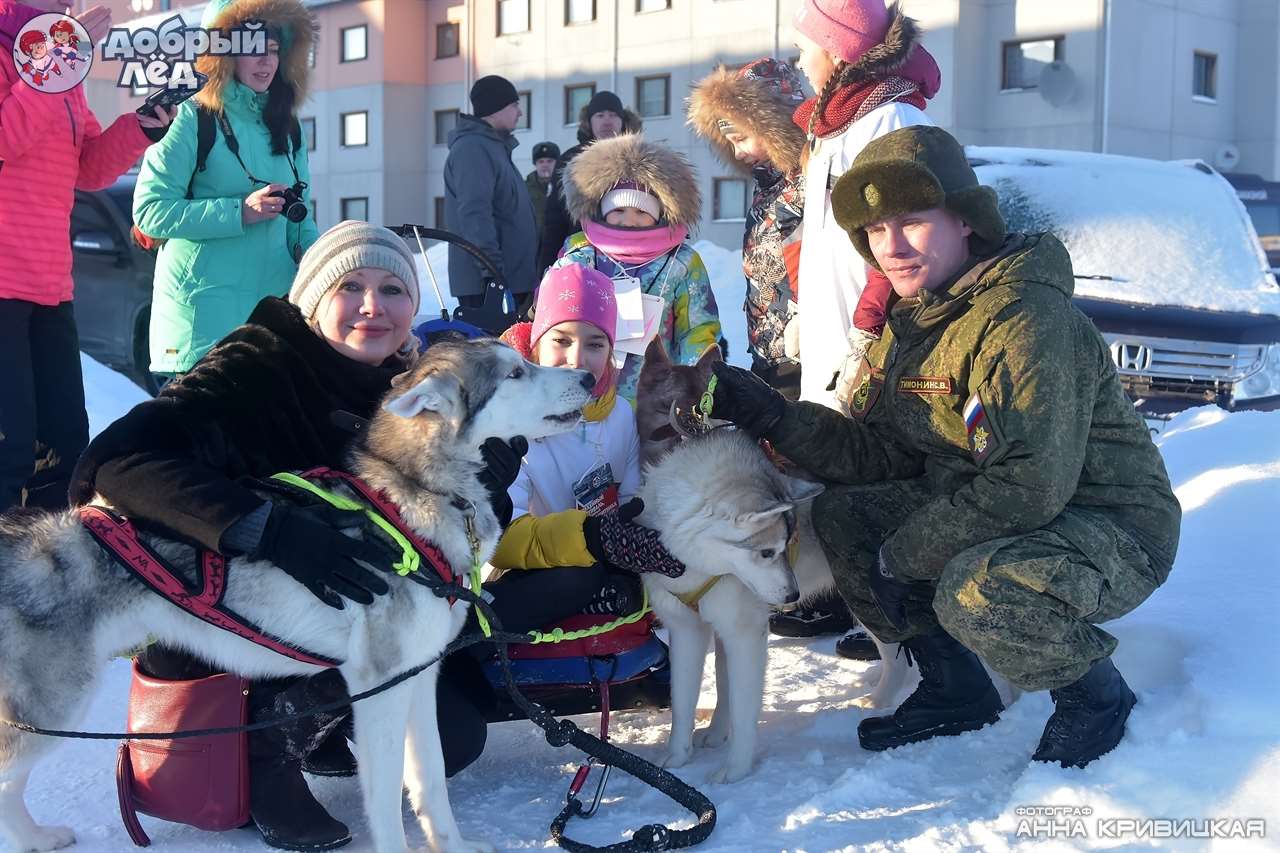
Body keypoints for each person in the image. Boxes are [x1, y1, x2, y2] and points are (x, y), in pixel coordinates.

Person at [707, 126, 1182, 770]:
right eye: (874, 232)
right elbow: (882, 458)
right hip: (993, 502)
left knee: (975, 588)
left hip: (1107, 525)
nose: (891, 247)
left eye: (911, 222)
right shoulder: (920, 318)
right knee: (847, 516)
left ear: (966, 221)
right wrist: (772, 415)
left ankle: (1093, 696)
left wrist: (904, 555)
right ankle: (955, 687)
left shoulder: (1024, 320)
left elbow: (1029, 485)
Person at [71, 221, 525, 849]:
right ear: (313, 298)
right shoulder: (251, 368)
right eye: (351, 286)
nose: (374, 306)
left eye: (393, 289)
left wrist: (486, 468)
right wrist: (266, 528)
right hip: (217, 613)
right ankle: (266, 749)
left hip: (350, 607)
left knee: (455, 732)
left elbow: (433, 517)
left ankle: (322, 727)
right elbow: (116, 464)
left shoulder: (411, 385)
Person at [0, 0, 172, 512]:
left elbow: (90, 170)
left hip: (50, 285)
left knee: (65, 445)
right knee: (10, 449)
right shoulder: (40, 61)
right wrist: (53, 62)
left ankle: (44, 572)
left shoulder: (59, 67)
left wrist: (140, 128)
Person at [485, 264, 686, 634]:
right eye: (560, 340)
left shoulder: (619, 414)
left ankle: (614, 594)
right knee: (577, 580)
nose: (577, 359)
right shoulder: (508, 423)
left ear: (611, 351)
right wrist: (591, 539)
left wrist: (625, 538)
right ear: (536, 345)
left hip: (603, 550)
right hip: (526, 565)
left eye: (594, 344)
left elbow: (629, 497)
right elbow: (499, 537)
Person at [132, 0, 319, 380]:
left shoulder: (287, 124)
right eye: (253, 51)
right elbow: (150, 211)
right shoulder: (189, 115)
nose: (266, 62)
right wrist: (239, 212)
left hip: (269, 333)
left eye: (273, 50)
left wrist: (324, 264)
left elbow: (302, 220)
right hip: (200, 334)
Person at [789, 0, 941, 408]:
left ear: (836, 50)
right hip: (832, 331)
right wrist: (805, 308)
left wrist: (867, 333)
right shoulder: (834, 125)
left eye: (804, 51)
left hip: (870, 341)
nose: (800, 65)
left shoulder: (889, 121)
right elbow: (817, 230)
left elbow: (900, 241)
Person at [553, 133, 721, 404]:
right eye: (618, 210)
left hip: (654, 402)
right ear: (601, 210)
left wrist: (694, 384)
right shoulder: (580, 255)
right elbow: (554, 320)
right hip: (585, 390)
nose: (629, 221)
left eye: (642, 213)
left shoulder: (681, 262)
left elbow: (697, 329)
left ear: (659, 215)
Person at [687, 58, 807, 399]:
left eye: (742, 138)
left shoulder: (810, 181)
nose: (738, 153)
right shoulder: (768, 186)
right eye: (730, 143)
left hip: (803, 353)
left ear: (773, 125)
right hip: (769, 352)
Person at [443, 74, 538, 311]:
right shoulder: (473, 148)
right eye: (515, 105)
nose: (520, 113)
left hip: (507, 281)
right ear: (496, 108)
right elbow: (475, 214)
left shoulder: (493, 147)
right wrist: (492, 273)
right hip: (488, 286)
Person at [537, 90, 642, 271]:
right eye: (600, 115)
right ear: (589, 122)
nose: (607, 121)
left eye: (613, 115)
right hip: (582, 258)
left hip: (635, 256)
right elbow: (554, 222)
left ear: (623, 120)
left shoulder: (642, 156)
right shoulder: (570, 160)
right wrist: (546, 269)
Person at [526, 140, 561, 238]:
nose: (545, 165)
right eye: (541, 161)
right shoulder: (525, 190)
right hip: (532, 244)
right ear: (535, 164)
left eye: (549, 161)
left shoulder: (565, 188)